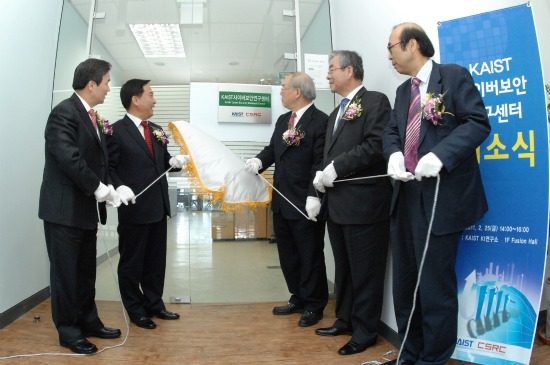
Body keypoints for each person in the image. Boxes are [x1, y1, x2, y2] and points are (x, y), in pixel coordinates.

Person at [383, 23, 491, 365]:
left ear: (412, 44)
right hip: (406, 197)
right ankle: (409, 352)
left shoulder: (454, 76)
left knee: (433, 285)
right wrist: (394, 153)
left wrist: (440, 155)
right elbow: (391, 132)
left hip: (441, 197)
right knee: (405, 282)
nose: (389, 56)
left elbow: (477, 123)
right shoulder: (403, 92)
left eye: (392, 48)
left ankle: (433, 358)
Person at [38, 58, 122, 354]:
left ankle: (89, 322)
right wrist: (98, 188)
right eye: (107, 82)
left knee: (86, 273)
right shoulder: (64, 113)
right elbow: (68, 157)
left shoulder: (92, 116)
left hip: (84, 211)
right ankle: (69, 331)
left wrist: (111, 186)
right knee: (66, 275)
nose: (109, 88)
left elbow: (98, 161)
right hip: (63, 211)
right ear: (92, 84)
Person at [313, 50, 392, 356]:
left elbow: (375, 145)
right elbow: (327, 157)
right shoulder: (335, 113)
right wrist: (319, 183)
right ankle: (344, 319)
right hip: (338, 206)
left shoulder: (375, 102)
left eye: (332, 69)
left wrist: (338, 168)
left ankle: (365, 331)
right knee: (344, 268)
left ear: (349, 71)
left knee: (366, 272)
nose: (328, 75)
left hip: (365, 204)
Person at [244, 72, 329, 328]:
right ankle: (298, 297)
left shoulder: (321, 121)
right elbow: (273, 149)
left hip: (305, 203)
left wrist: (314, 196)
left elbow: (319, 162)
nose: (280, 92)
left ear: (297, 92)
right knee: (288, 255)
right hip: (280, 200)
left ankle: (315, 304)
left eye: (283, 87)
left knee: (309, 254)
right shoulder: (283, 120)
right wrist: (259, 160)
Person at [106, 79, 188, 330]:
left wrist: (173, 162)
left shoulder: (155, 128)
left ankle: (155, 304)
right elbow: (107, 168)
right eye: (151, 95)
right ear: (135, 99)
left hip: (158, 207)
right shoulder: (116, 131)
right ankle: (135, 309)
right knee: (132, 263)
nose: (154, 100)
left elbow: (161, 164)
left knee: (155, 261)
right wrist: (119, 186)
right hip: (134, 209)